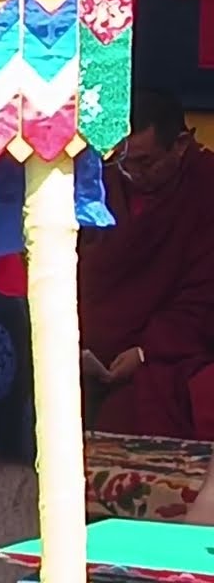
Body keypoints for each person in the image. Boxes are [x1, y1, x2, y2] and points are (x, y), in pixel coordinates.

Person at [80, 88, 214, 439]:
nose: (130, 173)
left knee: (136, 412)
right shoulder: (100, 178)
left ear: (181, 145)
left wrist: (145, 352)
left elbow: (202, 299)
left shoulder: (206, 187)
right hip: (87, 347)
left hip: (166, 352)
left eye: (144, 163)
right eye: (121, 161)